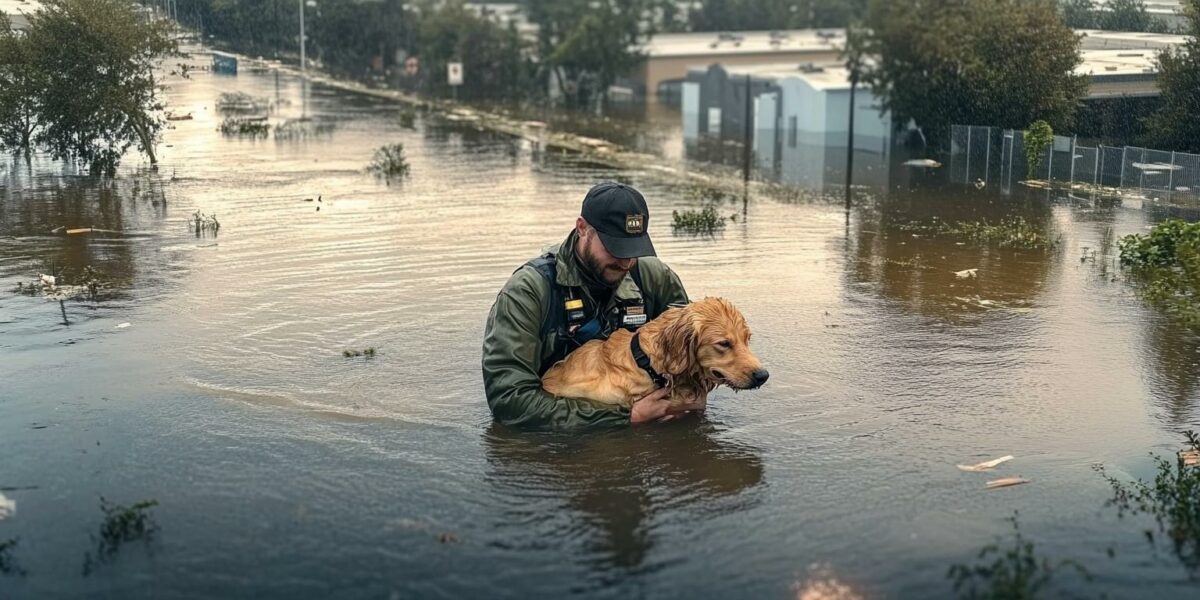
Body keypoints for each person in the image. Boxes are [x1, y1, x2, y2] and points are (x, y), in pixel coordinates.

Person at [482, 182, 706, 428]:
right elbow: (509, 402)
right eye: (615, 248)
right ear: (582, 229)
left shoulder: (656, 278)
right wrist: (626, 418)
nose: (626, 262)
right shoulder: (527, 293)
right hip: (556, 437)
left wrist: (687, 396)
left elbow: (696, 356)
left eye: (634, 249)